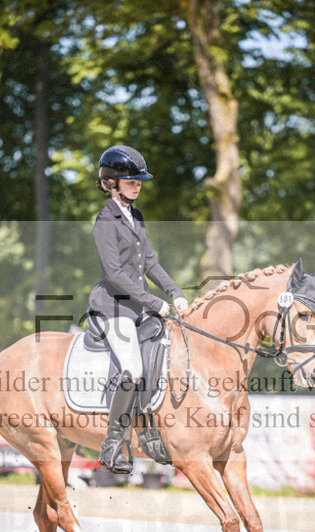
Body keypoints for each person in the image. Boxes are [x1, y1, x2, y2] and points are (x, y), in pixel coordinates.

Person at [88, 145, 188, 474]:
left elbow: (150, 264)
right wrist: (155, 303)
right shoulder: (105, 222)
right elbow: (115, 275)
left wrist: (174, 292)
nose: (138, 184)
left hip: (138, 309)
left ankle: (150, 431)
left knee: (163, 355)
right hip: (114, 309)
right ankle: (113, 442)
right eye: (131, 180)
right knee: (132, 369)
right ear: (111, 183)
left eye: (139, 180)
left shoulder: (136, 216)